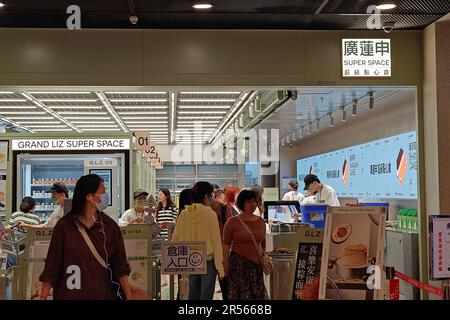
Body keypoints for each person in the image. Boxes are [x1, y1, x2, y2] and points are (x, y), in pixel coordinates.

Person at [39, 174, 134, 300]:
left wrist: (129, 295)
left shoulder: (109, 227)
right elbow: (52, 265)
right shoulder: (64, 227)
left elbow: (120, 265)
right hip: (69, 295)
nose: (106, 195)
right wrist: (43, 296)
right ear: (90, 197)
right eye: (103, 192)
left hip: (102, 294)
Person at [172, 181, 224, 300]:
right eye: (211, 195)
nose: (212, 198)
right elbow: (216, 242)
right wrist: (220, 269)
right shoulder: (210, 214)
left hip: (189, 260)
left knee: (191, 295)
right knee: (206, 296)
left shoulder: (184, 214)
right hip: (208, 261)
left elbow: (175, 240)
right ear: (206, 196)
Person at [223, 190, 267, 300]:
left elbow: (263, 244)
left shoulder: (261, 222)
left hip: (256, 266)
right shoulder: (232, 221)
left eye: (254, 201)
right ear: (242, 203)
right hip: (238, 265)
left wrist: (263, 259)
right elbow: (226, 245)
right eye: (248, 202)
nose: (252, 204)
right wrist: (225, 264)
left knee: (256, 294)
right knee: (240, 295)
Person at [2, 197, 40, 267]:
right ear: (34, 207)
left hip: (14, 251)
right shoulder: (36, 218)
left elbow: (7, 231)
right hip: (28, 251)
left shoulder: (15, 215)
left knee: (12, 272)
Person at [210, 186, 233, 300]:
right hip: (210, 252)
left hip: (222, 251)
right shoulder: (204, 211)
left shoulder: (225, 209)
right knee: (208, 287)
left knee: (225, 284)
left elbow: (230, 231)